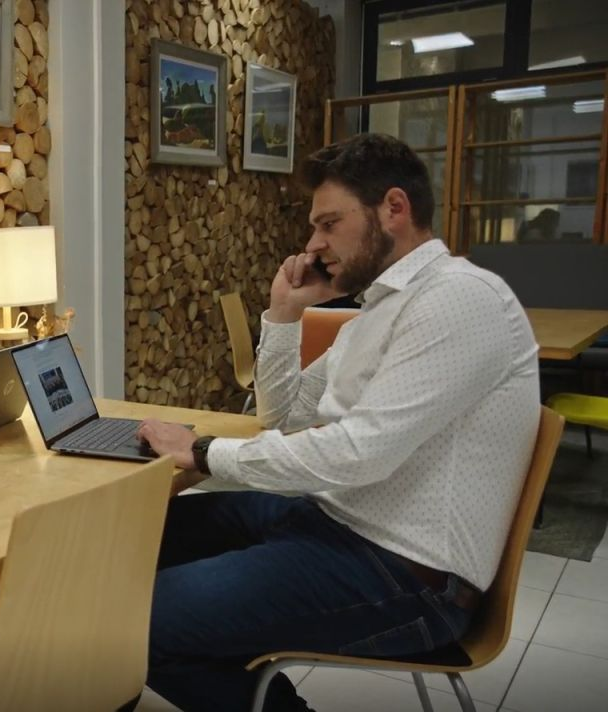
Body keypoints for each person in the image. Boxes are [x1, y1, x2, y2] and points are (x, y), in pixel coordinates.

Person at [136, 133, 540, 712]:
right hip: (332, 521)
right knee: (135, 537)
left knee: (136, 618)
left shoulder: (458, 298)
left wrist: (202, 451)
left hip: (406, 574)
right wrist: (285, 313)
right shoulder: (379, 309)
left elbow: (358, 454)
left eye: (329, 224)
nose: (313, 244)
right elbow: (283, 417)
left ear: (394, 208)